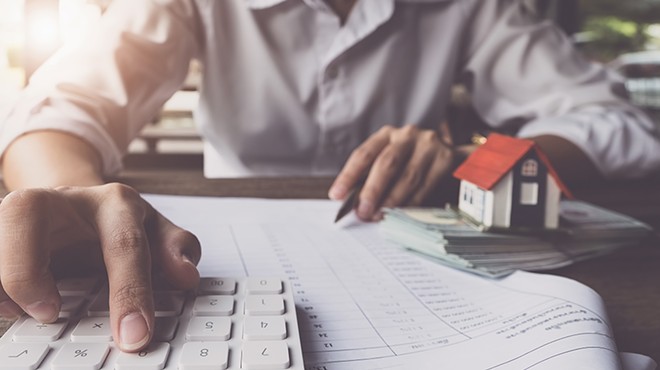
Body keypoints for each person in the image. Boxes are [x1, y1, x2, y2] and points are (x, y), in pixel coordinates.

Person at [0, 0, 658, 353]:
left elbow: (620, 126)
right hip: (226, 261)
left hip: (411, 258)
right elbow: (59, 107)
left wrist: (470, 158)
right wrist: (69, 198)